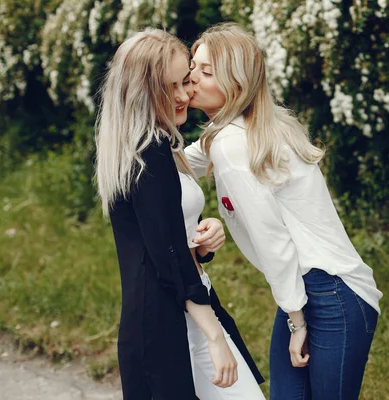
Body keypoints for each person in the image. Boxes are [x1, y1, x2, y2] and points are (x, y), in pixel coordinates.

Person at [184, 23, 383, 400]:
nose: (192, 77)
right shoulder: (233, 132)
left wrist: (296, 320)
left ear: (236, 84)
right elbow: (176, 164)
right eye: (192, 66)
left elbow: (273, 241)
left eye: (206, 71)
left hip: (332, 291)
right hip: (310, 289)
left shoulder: (233, 143)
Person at [94, 28, 264, 400]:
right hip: (166, 320)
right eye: (169, 86)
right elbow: (164, 256)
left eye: (186, 80)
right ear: (143, 92)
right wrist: (214, 335)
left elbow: (168, 239)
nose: (184, 94)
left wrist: (203, 244)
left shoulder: (164, 145)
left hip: (187, 305)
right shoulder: (148, 152)